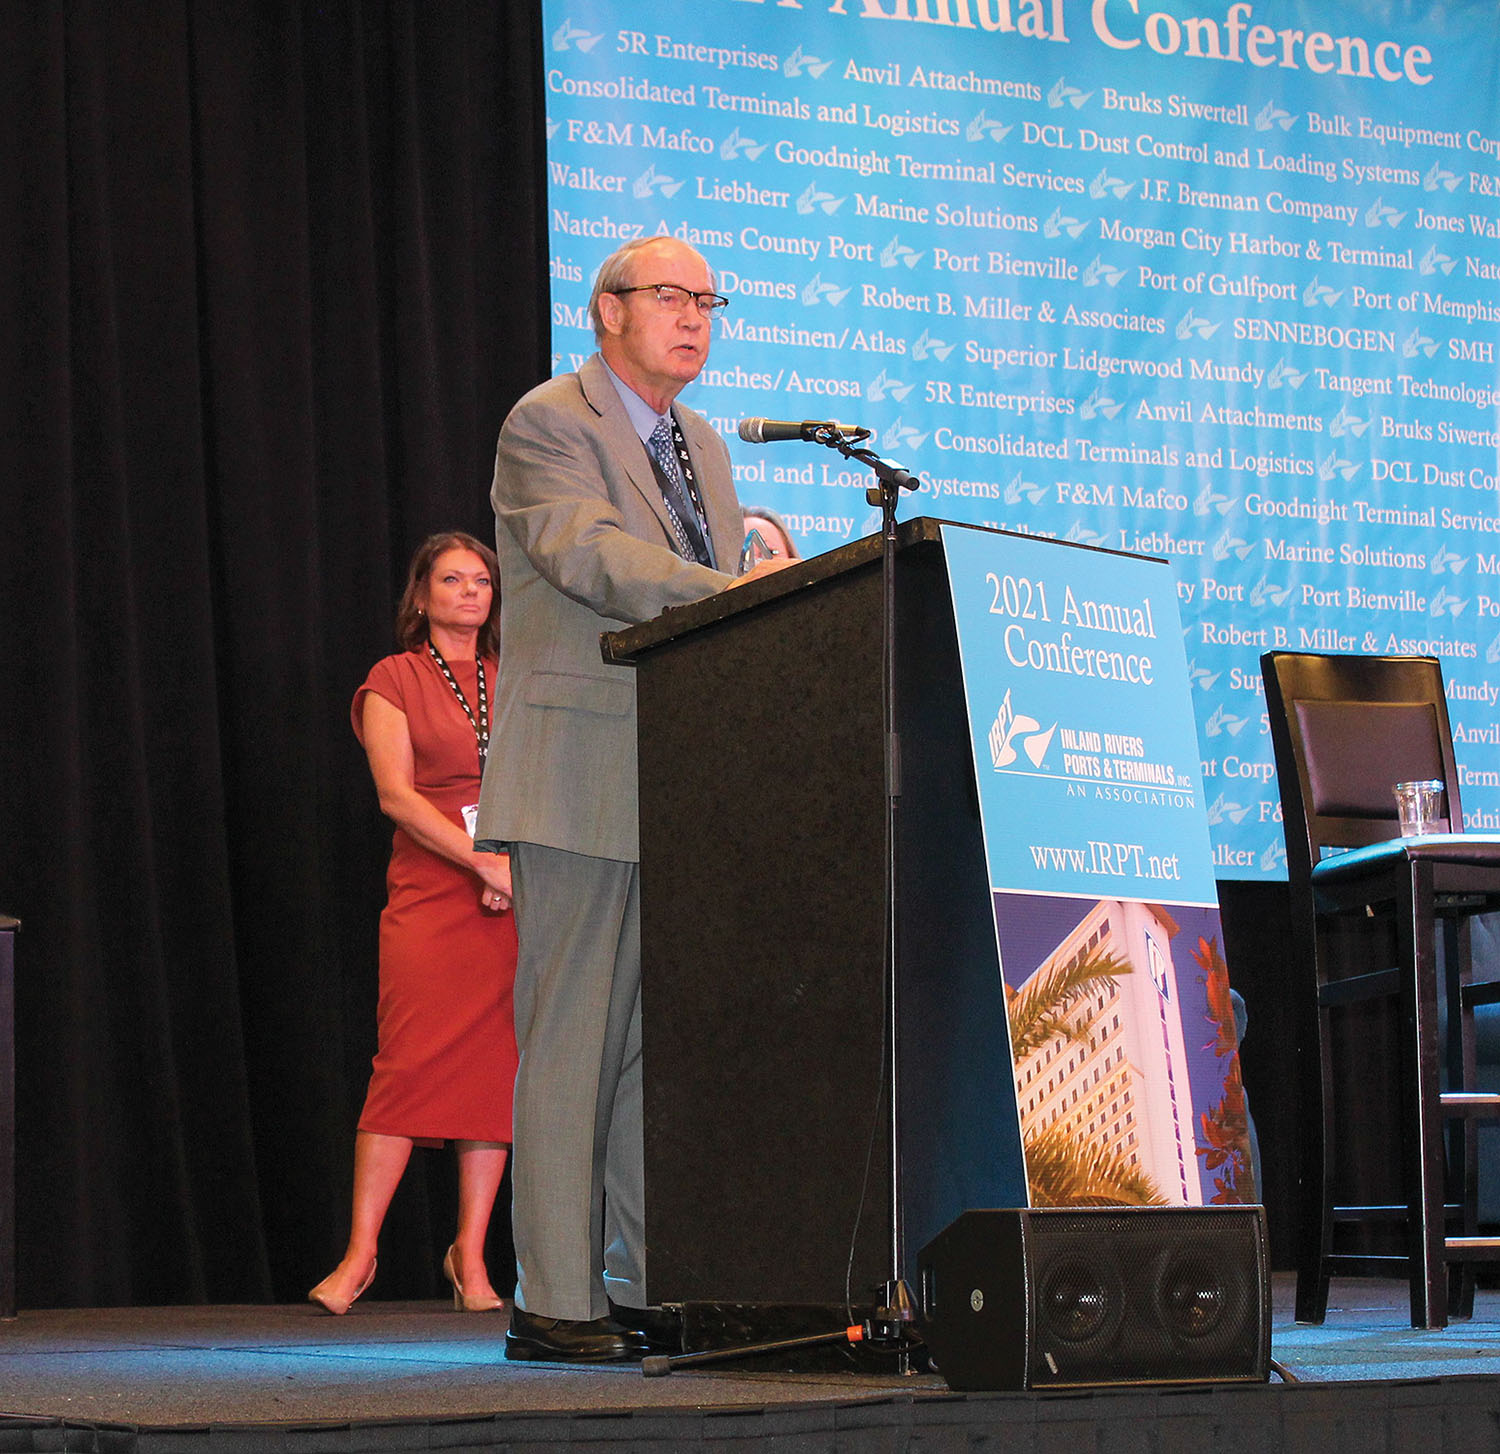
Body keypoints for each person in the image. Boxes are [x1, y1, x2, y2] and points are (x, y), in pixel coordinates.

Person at [475, 235, 792, 1362]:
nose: (695, 316)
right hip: (579, 773)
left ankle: (643, 1281)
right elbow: (586, 555)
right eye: (671, 296)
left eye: (708, 300)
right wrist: (738, 591)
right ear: (607, 310)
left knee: (660, 1048)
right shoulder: (548, 420)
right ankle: (555, 1297)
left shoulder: (702, 443)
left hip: (680, 777)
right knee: (573, 1040)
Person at [309, 532, 519, 1316]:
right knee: (405, 1064)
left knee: (494, 1073)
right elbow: (397, 795)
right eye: (452, 580)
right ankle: (361, 1254)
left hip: (511, 888)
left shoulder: (514, 678)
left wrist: (510, 866)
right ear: (421, 596)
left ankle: (470, 1255)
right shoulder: (392, 679)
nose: (470, 593)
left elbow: (535, 786)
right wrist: (479, 862)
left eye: (482, 581)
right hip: (435, 893)